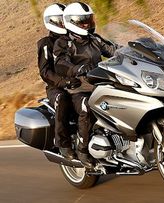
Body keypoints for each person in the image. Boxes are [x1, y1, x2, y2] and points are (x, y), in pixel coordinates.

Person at [53, 2, 118, 167]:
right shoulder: (63, 42)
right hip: (79, 88)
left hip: (101, 82)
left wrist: (131, 51)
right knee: (87, 108)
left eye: (89, 20)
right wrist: (77, 68)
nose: (87, 24)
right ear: (71, 22)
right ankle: (83, 150)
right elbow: (61, 63)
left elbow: (112, 49)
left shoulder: (94, 39)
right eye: (83, 21)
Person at [37, 3, 79, 160]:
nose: (64, 23)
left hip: (78, 81)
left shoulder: (74, 39)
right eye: (61, 21)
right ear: (52, 22)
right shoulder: (46, 43)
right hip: (57, 87)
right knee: (62, 99)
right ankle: (63, 143)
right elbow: (45, 72)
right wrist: (64, 82)